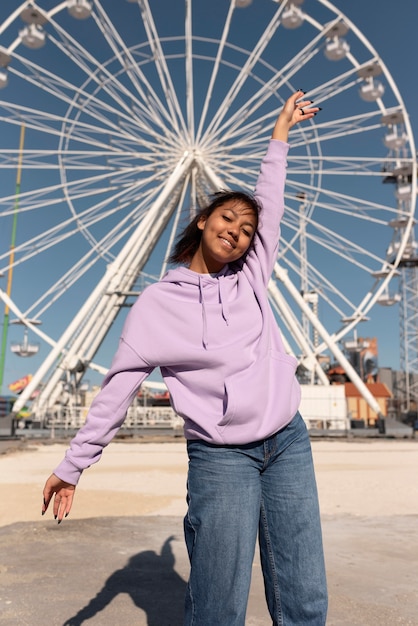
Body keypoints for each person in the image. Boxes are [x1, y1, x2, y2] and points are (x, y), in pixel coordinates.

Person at [42, 91, 327, 626]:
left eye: (247, 231)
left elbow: (272, 197)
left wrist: (280, 132)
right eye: (227, 219)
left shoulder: (252, 277)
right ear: (202, 220)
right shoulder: (155, 306)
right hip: (222, 457)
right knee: (218, 602)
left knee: (304, 594)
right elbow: (116, 393)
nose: (237, 233)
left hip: (288, 439)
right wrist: (73, 465)